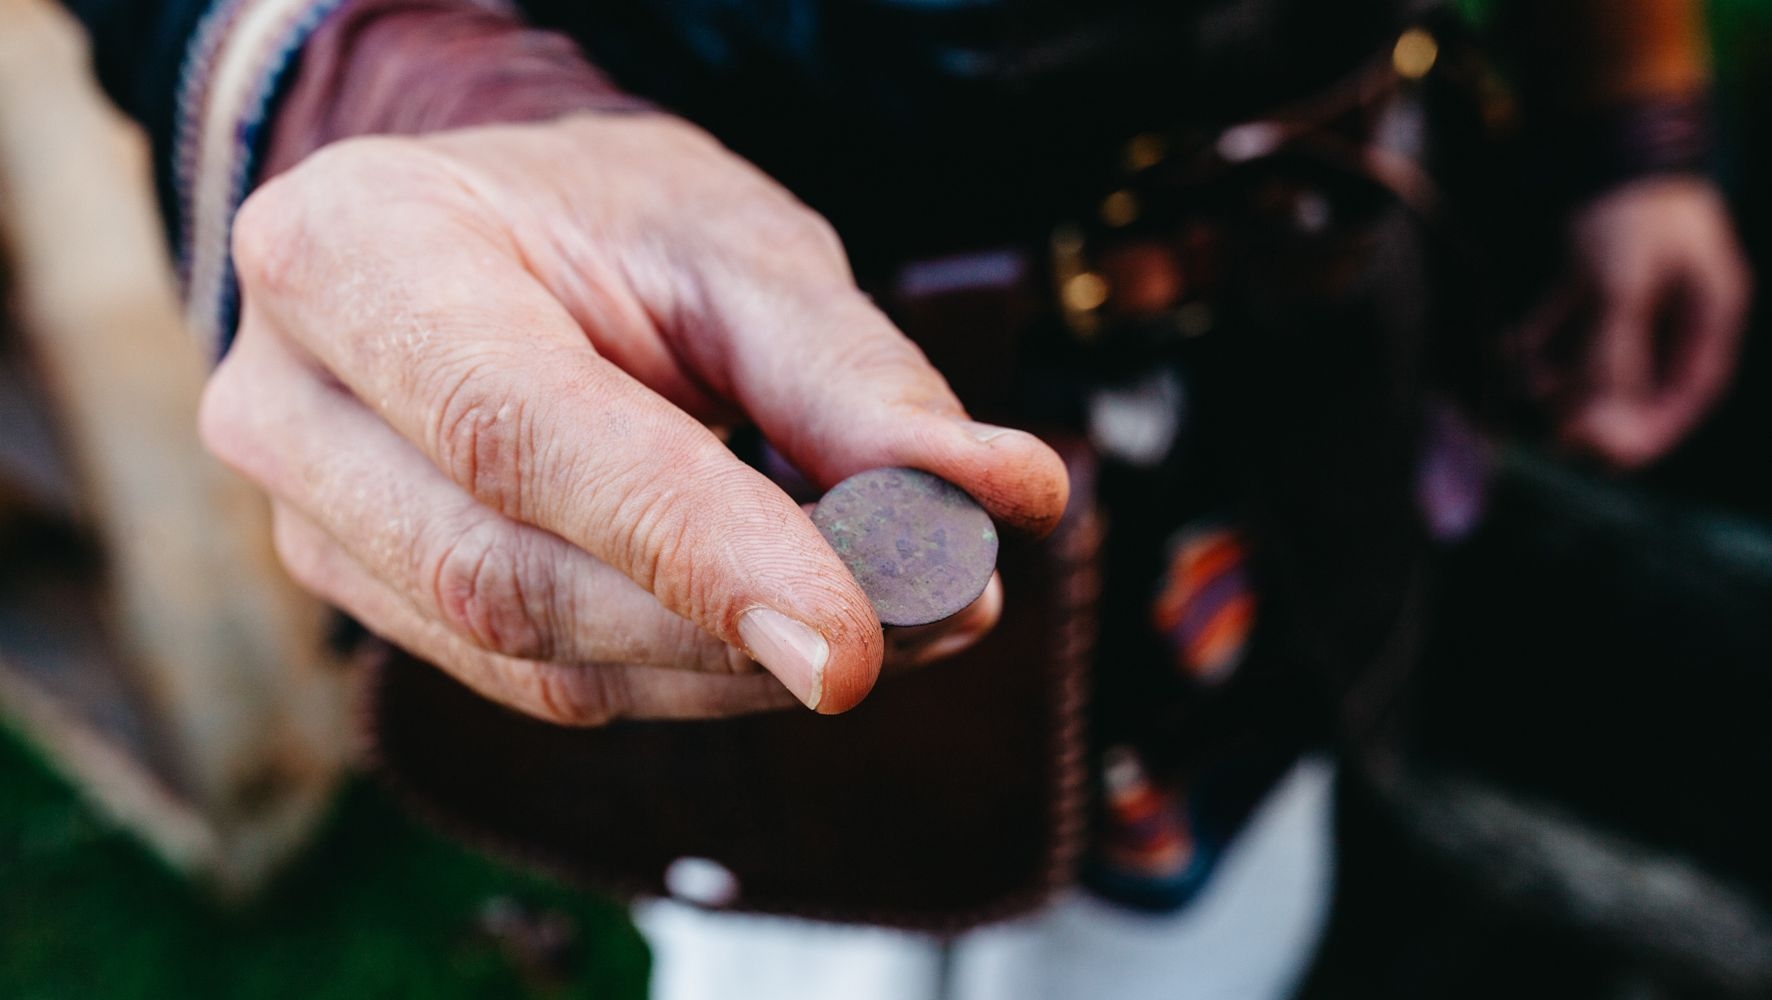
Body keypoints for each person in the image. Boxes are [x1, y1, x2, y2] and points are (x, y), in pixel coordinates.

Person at [54, 0, 1751, 996]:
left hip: (1310, 366)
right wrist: (368, 75)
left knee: (1225, 912)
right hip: (744, 398)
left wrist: (1631, 123)